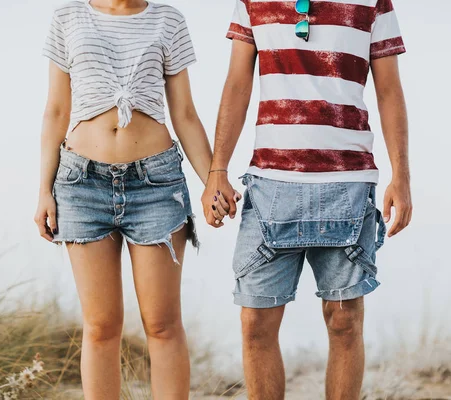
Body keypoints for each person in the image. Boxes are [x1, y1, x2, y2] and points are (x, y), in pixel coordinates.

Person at [202, 0, 412, 398]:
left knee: (344, 320)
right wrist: (217, 171)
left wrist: (401, 176)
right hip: (269, 185)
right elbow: (236, 84)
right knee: (255, 323)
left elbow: (389, 90)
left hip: (348, 182)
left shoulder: (374, 3)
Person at [34, 1, 215, 398]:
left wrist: (212, 179)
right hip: (81, 184)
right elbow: (57, 110)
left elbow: (184, 112)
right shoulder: (69, 17)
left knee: (163, 324)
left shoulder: (168, 19)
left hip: (156, 184)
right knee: (100, 326)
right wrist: (44, 190)